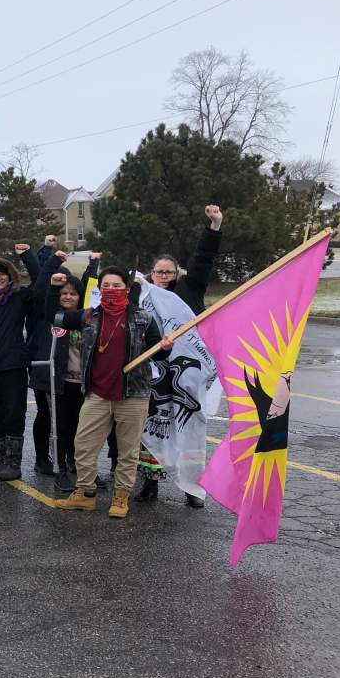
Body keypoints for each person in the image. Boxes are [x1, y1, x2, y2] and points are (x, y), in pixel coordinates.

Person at [51, 267, 172, 518]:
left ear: (126, 289)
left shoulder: (143, 318)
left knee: (127, 451)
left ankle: (121, 496)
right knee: (83, 446)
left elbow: (157, 352)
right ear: (100, 289)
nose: (111, 290)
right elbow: (52, 317)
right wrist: (52, 288)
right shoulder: (88, 316)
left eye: (117, 286)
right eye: (106, 285)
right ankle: (85, 493)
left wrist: (165, 347)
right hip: (97, 394)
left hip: (133, 395)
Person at [137, 204, 224, 507]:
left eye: (168, 271)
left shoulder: (188, 289)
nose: (163, 276)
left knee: (189, 429)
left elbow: (202, 260)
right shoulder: (143, 297)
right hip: (156, 374)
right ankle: (150, 484)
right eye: (158, 271)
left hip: (188, 376)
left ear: (176, 273)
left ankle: (192, 487)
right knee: (155, 424)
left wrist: (213, 228)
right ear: (151, 273)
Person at [28, 250, 101, 477]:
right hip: (49, 377)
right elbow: (40, 288)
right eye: (63, 293)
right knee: (47, 418)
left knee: (75, 423)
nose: (67, 297)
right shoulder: (48, 313)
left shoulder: (86, 318)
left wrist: (94, 264)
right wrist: (45, 261)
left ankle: (73, 460)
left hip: (78, 381)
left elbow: (91, 286)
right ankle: (43, 459)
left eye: (72, 293)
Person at [0, 243, 40, 481]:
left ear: (10, 276)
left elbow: (39, 282)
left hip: (13, 365)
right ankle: (1, 459)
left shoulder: (20, 298)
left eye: (3, 273)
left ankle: (14, 462)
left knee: (14, 413)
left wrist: (27, 256)